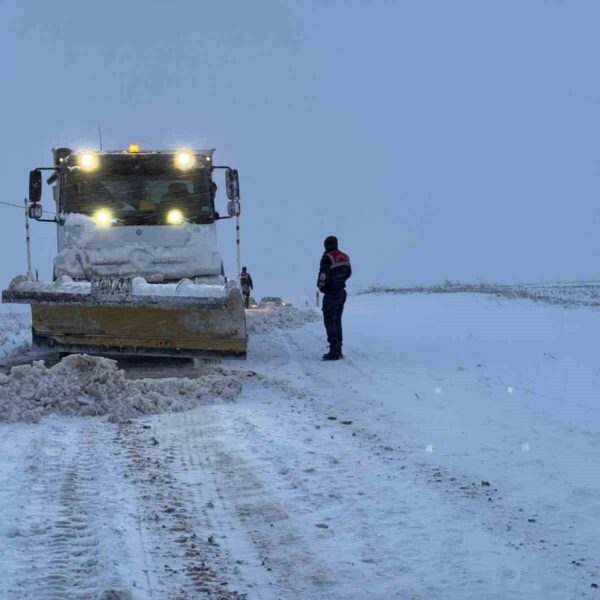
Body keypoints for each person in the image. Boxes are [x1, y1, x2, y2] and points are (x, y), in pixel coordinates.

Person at [317, 235, 351, 360]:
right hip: (342, 292)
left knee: (329, 321)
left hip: (331, 293)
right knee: (337, 321)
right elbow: (349, 273)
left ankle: (334, 351)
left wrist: (322, 287)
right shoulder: (344, 256)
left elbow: (323, 276)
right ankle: (339, 349)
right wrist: (339, 281)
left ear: (326, 245)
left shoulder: (327, 258)